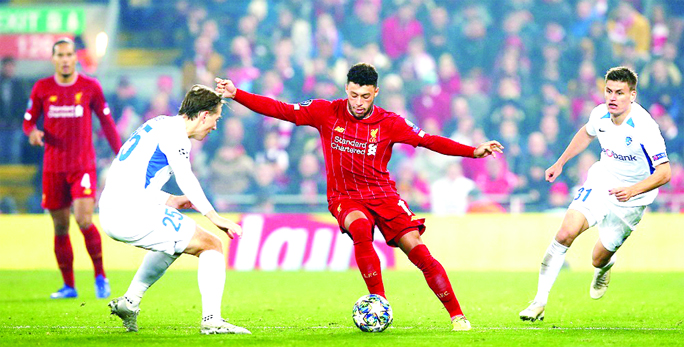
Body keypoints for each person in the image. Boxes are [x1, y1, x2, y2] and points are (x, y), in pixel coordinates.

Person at [215, 63, 504, 331]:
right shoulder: (325, 111)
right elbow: (280, 109)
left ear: (375, 92)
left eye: (365, 96)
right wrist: (236, 93)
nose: (358, 103)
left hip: (383, 195)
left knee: (417, 250)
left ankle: (457, 315)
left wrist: (472, 151)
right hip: (345, 197)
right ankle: (379, 304)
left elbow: (428, 140)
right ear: (346, 89)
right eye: (354, 95)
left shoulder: (390, 122)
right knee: (361, 228)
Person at [519, 66, 671, 322]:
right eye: (608, 91)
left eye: (620, 93)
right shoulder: (600, 114)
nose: (612, 97)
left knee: (597, 258)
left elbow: (665, 173)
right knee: (565, 233)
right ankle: (539, 302)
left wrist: (632, 190)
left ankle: (605, 268)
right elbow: (586, 134)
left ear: (632, 95)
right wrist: (560, 162)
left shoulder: (645, 127)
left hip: (632, 199)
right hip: (601, 181)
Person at [100, 84, 250, 335]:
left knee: (176, 242)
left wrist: (170, 199)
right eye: (215, 118)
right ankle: (212, 321)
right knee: (212, 244)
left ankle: (130, 302)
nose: (215, 126)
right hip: (130, 212)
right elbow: (186, 177)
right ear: (204, 115)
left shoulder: (158, 123)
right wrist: (214, 217)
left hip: (114, 207)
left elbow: (132, 176)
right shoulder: (176, 135)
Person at [22, 38, 122, 299]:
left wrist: (121, 155)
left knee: (84, 219)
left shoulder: (90, 86)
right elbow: (29, 121)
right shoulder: (42, 88)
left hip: (82, 166)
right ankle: (69, 286)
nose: (65, 59)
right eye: (60, 55)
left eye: (69, 54)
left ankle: (100, 276)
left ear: (75, 57)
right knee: (60, 227)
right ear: (53, 58)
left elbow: (108, 123)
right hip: (53, 168)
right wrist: (32, 132)